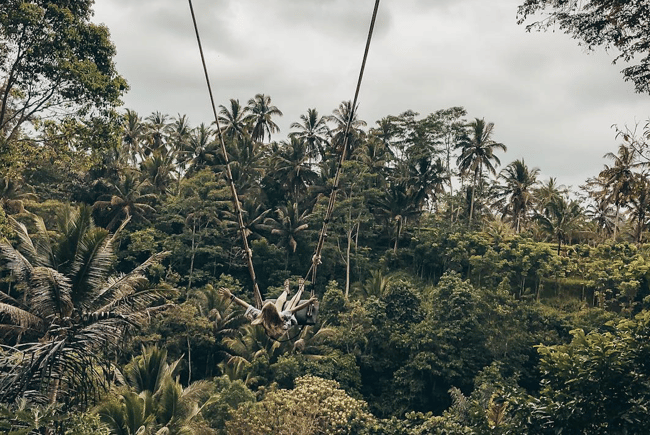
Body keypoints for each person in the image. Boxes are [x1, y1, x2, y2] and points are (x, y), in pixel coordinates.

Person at [219, 286, 317, 339]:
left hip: (272, 327)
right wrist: (309, 302)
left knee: (279, 302)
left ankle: (286, 291)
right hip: (286, 325)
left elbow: (244, 304)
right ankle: (300, 290)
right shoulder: (282, 316)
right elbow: (296, 309)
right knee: (291, 304)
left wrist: (231, 296)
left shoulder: (259, 316)